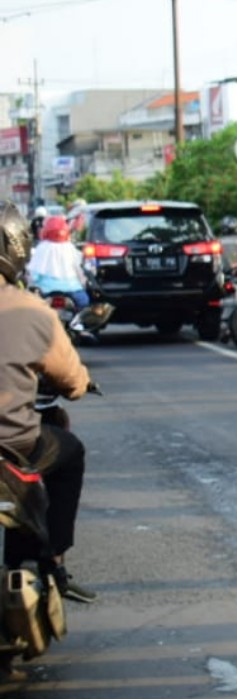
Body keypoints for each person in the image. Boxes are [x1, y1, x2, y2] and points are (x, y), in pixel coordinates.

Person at [0, 200, 96, 604]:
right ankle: (52, 559)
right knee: (69, 452)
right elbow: (73, 382)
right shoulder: (33, 310)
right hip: (14, 445)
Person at [27, 216, 92, 308]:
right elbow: (79, 270)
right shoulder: (70, 248)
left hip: (45, 292)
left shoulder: (41, 248)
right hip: (72, 290)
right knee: (84, 304)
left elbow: (34, 275)